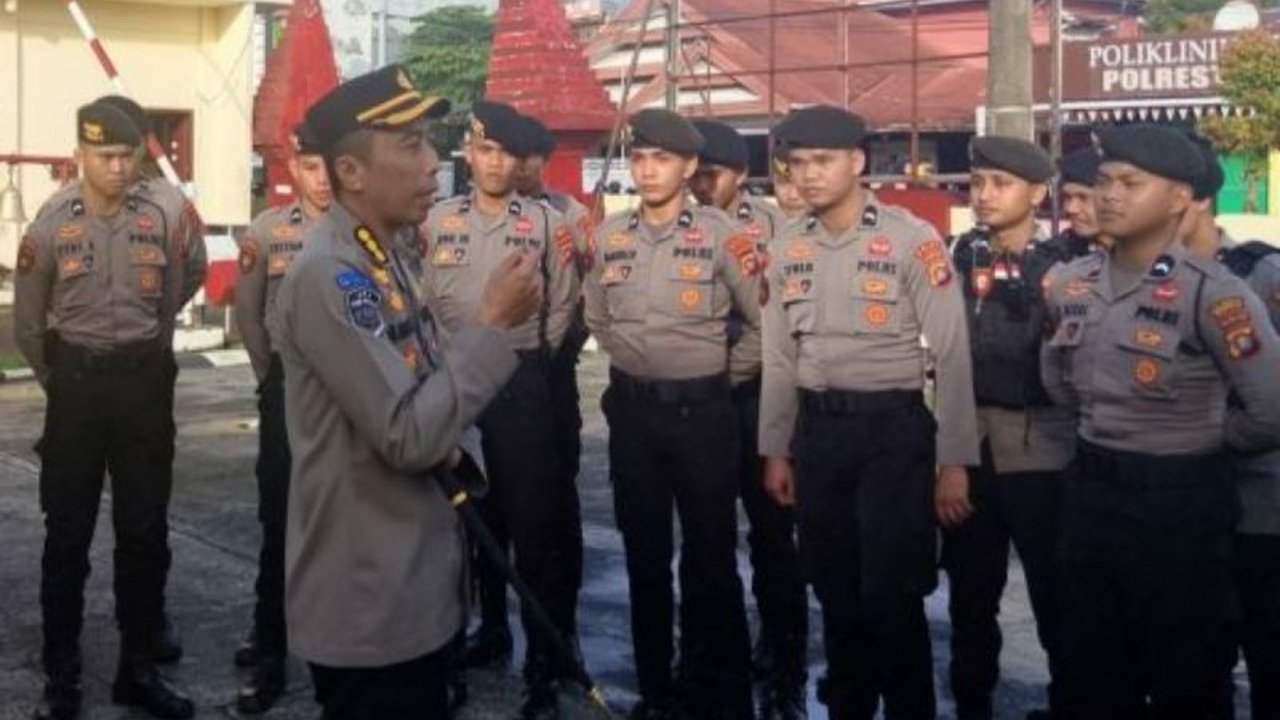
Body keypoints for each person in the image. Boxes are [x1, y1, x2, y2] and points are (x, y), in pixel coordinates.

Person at [268, 64, 542, 718]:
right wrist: (493, 326)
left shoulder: (386, 254)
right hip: (370, 602)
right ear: (351, 172)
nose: (434, 163)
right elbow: (407, 434)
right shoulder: (332, 276)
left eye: (430, 142)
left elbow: (429, 384)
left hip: (413, 585)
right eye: (411, 145)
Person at [1041, 124, 1280, 720]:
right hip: (1093, 492)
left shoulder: (1214, 294)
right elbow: (1059, 382)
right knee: (1093, 668)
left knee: (1188, 672)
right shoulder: (1072, 285)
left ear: (1179, 199)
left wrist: (1200, 437)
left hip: (1180, 502)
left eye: (1130, 183)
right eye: (1103, 182)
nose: (1110, 196)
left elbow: (1271, 409)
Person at [758, 105, 980, 720]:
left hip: (894, 437)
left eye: (822, 161)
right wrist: (776, 449)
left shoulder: (912, 240)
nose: (808, 176)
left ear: (857, 163)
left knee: (893, 596)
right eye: (797, 164)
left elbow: (953, 355)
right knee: (834, 590)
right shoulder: (785, 246)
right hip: (819, 435)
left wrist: (955, 462)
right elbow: (778, 356)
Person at [15, 100, 203, 720]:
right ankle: (62, 678)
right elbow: (28, 324)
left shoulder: (168, 213)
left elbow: (183, 282)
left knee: (144, 534)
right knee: (65, 537)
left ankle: (138, 669)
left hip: (144, 387)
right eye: (105, 156)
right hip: (77, 390)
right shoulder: (49, 222)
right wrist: (66, 383)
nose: (118, 168)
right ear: (81, 155)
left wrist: (145, 351)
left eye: (127, 155)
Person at [583, 108, 757, 720]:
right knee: (645, 559)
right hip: (635, 419)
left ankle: (721, 687)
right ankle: (656, 692)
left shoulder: (721, 235)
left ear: (688, 167)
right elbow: (597, 316)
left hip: (704, 419)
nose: (648, 170)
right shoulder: (611, 237)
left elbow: (765, 324)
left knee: (711, 559)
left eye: (662, 159)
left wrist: (716, 376)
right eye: (640, 158)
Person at [420, 100, 581, 720]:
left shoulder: (547, 225)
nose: (495, 163)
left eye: (507, 154)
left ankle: (544, 666)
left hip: (521, 386)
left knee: (534, 528)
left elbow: (563, 308)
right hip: (454, 385)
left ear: (521, 163)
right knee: (467, 525)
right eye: (485, 150)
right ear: (469, 152)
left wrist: (527, 359)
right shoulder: (436, 222)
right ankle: (487, 633)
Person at [945, 136, 1085, 720]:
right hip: (972, 446)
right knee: (970, 598)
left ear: (1037, 193)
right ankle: (972, 703)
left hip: (1042, 450)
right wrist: (947, 456)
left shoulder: (1063, 269)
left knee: (1056, 599)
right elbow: (948, 361)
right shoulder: (960, 256)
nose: (984, 195)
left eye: (1000, 184)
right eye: (978, 183)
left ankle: (1067, 703)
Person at [689, 118, 808, 720]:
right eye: (697, 173)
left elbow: (779, 316)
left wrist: (730, 364)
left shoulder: (774, 228)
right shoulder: (678, 224)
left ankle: (784, 657)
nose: (702, 184)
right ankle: (715, 651)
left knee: (771, 536)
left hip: (759, 395)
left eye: (713, 173)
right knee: (707, 535)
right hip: (702, 401)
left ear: (739, 174)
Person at [230, 122, 332, 714]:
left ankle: (337, 657)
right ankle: (271, 650)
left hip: (347, 398)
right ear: (294, 169)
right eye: (309, 167)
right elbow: (249, 318)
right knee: (280, 525)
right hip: (288, 394)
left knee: (341, 528)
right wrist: (273, 380)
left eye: (328, 167)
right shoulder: (268, 233)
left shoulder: (365, 233)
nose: (320, 181)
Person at [1179, 134, 1280, 720]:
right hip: (1183, 512)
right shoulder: (1132, 282)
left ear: (1189, 198)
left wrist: (1199, 432)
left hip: (1260, 511)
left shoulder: (1260, 275)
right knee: (1192, 666)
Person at [1056, 147, 1108, 255]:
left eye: (1083, 198)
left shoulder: (1148, 260)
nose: (1071, 209)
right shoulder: (1054, 256)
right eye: (1067, 197)